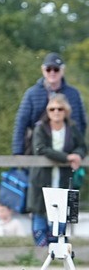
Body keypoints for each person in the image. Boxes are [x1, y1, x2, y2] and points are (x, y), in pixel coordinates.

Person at [27, 93, 85, 246]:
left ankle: (58, 245)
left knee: (61, 212)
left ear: (65, 111)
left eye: (60, 109)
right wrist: (67, 158)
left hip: (63, 177)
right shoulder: (41, 128)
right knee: (39, 211)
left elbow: (82, 146)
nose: (56, 112)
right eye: (52, 109)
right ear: (48, 111)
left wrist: (77, 155)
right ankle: (40, 249)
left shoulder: (71, 128)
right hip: (42, 177)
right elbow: (41, 149)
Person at [12, 52, 85, 155]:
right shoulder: (32, 94)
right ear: (43, 70)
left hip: (67, 152)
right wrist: (17, 152)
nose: (52, 72)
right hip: (38, 149)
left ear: (62, 70)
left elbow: (80, 123)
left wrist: (78, 150)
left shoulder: (73, 94)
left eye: (56, 69)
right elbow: (21, 124)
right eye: (48, 69)